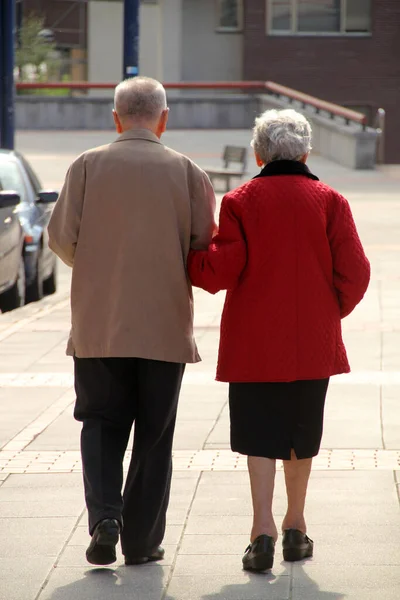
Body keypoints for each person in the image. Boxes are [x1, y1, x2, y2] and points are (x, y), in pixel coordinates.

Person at [187, 109, 370, 572]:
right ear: (307, 151)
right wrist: (330, 312)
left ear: (258, 153)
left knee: (259, 436)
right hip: (312, 339)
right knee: (301, 434)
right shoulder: (331, 200)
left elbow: (221, 270)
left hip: (253, 341)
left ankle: (261, 530)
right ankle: (295, 524)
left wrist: (188, 260)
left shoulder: (241, 201)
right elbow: (356, 272)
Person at [48, 76, 216, 567]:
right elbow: (204, 242)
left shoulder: (87, 166)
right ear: (164, 119)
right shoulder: (186, 172)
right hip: (164, 328)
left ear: (115, 118)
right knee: (153, 436)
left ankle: (105, 516)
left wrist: (100, 266)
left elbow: (61, 238)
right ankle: (141, 543)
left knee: (99, 423)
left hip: (100, 324)